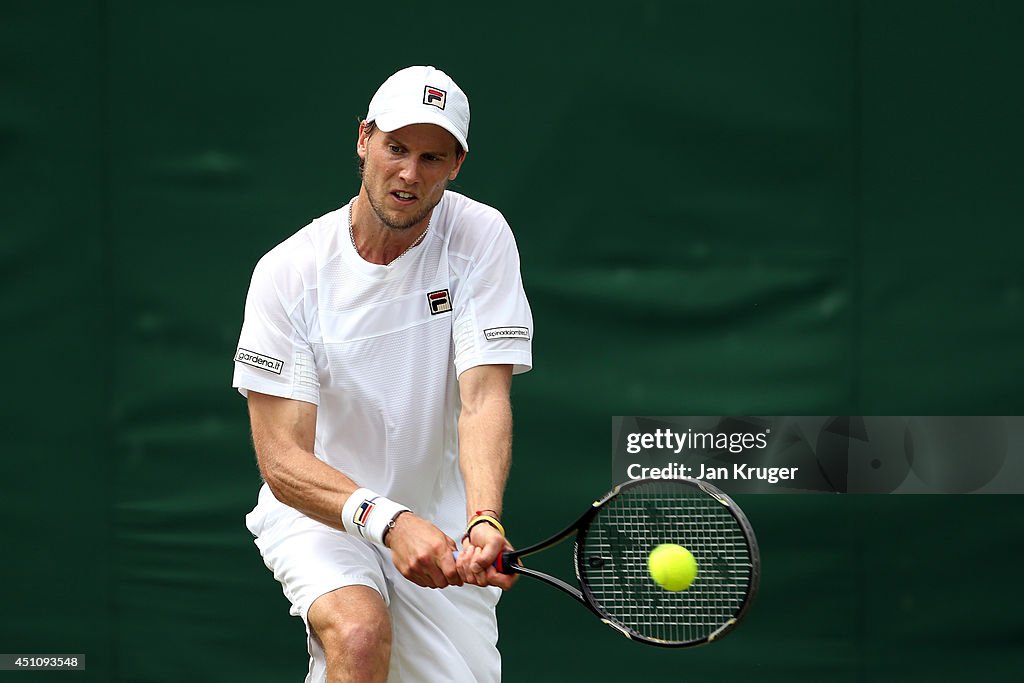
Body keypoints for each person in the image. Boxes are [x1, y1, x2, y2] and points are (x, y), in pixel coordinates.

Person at [231, 65, 533, 682]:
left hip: (439, 516)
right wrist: (387, 520)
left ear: (457, 165)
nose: (409, 174)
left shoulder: (480, 237)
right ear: (364, 139)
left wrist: (483, 518)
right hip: (321, 509)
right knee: (360, 634)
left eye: (431, 157)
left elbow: (483, 399)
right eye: (396, 148)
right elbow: (281, 459)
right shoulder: (288, 274)